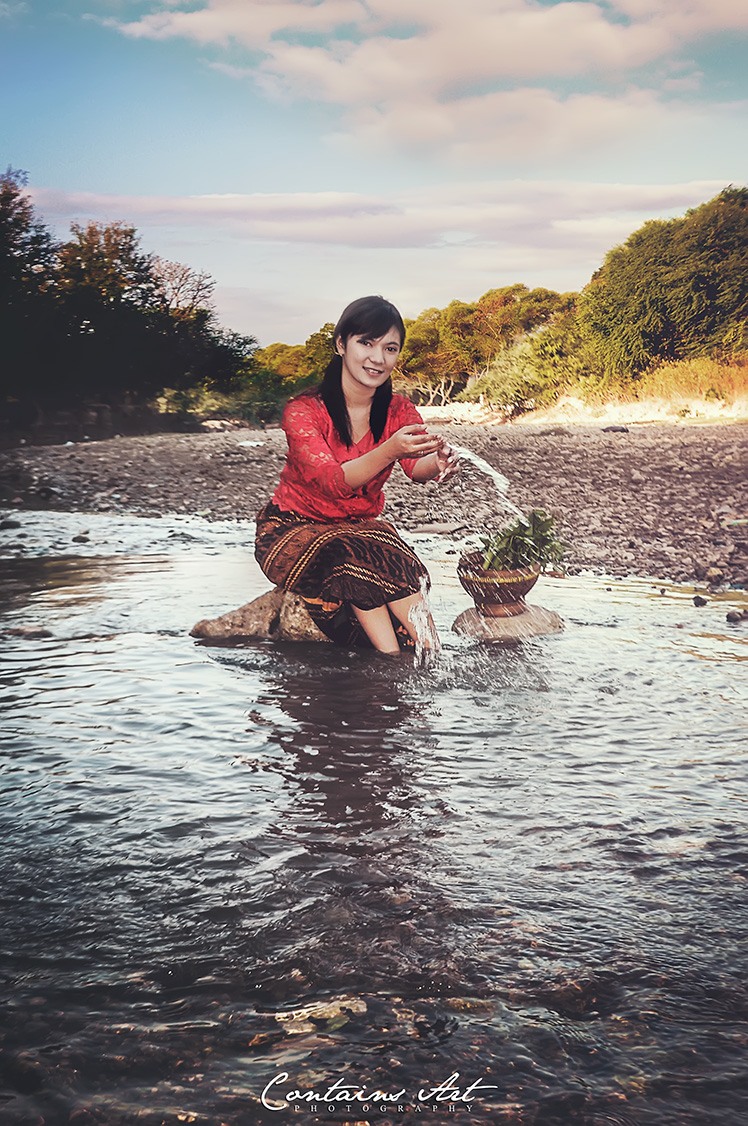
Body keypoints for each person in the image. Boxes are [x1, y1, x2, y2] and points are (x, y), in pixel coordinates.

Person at [255, 295, 458, 654]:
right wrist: (389, 450)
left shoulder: (399, 410)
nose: (378, 358)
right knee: (350, 551)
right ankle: (390, 659)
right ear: (340, 344)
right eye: (366, 342)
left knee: (392, 556)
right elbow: (330, 480)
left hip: (358, 527)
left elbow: (416, 468)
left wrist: (438, 465)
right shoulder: (303, 411)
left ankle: (434, 654)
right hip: (292, 527)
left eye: (390, 348)